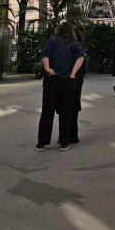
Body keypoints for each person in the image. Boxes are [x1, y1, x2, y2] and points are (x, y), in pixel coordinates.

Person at [36, 23, 86, 152]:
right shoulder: (75, 44)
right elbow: (81, 58)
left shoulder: (52, 42)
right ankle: (64, 142)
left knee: (47, 111)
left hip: (52, 79)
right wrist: (73, 73)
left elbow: (45, 55)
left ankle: (42, 142)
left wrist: (48, 69)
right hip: (68, 81)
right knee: (66, 112)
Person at [69, 25, 89, 145]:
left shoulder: (70, 46)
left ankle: (69, 134)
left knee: (68, 106)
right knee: (74, 104)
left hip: (70, 78)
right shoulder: (80, 47)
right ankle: (73, 134)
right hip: (78, 78)